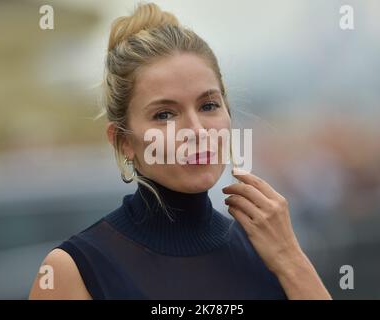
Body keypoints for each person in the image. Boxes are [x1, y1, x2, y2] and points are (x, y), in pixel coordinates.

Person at [29, 2, 331, 300]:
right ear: (123, 141)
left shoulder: (266, 250)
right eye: (164, 114)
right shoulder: (76, 269)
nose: (197, 131)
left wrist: (292, 260)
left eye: (208, 105)